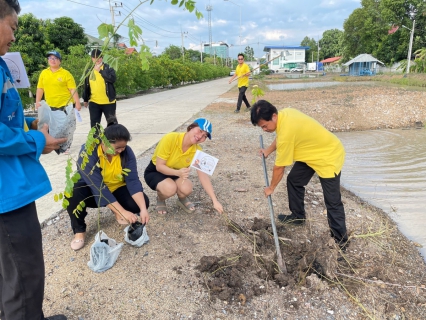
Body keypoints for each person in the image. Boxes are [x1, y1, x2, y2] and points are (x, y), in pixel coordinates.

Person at [0, 1, 68, 319]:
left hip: (9, 186)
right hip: (6, 196)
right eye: (12, 26)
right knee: (23, 275)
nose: (14, 36)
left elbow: (7, 120)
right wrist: (39, 140)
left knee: (10, 276)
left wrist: (30, 126)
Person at [250, 100, 349, 249]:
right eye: (261, 127)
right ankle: (298, 216)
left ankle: (341, 241)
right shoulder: (285, 115)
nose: (264, 129)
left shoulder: (286, 132)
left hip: (329, 155)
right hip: (311, 152)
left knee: (332, 202)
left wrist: (271, 187)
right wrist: (268, 151)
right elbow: (280, 137)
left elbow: (279, 168)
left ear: (274, 116)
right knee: (294, 180)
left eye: (264, 126)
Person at [66, 117, 150, 251]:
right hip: (93, 191)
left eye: (124, 147)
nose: (121, 151)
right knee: (73, 193)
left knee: (142, 202)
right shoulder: (88, 152)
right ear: (104, 142)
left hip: (116, 188)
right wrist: (123, 211)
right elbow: (98, 187)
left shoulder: (126, 152)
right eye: (117, 148)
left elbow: (133, 180)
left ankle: (116, 210)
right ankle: (79, 231)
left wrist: (143, 209)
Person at [144, 118, 224, 215]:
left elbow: (204, 176)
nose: (200, 136)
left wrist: (214, 201)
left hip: (177, 172)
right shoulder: (170, 138)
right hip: (156, 171)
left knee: (187, 188)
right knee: (169, 189)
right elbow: (159, 166)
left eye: (204, 136)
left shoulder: (198, 151)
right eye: (200, 131)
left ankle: (181, 199)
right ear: (191, 127)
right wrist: (178, 173)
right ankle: (160, 199)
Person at [82, 48, 117, 130]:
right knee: (94, 125)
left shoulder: (108, 68)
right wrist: (85, 99)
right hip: (94, 102)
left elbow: (112, 79)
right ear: (92, 59)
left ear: (102, 58)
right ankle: (96, 141)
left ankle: (114, 140)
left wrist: (100, 71)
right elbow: (86, 85)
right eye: (94, 58)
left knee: (112, 124)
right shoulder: (89, 70)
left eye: (99, 57)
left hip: (108, 101)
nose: (97, 59)